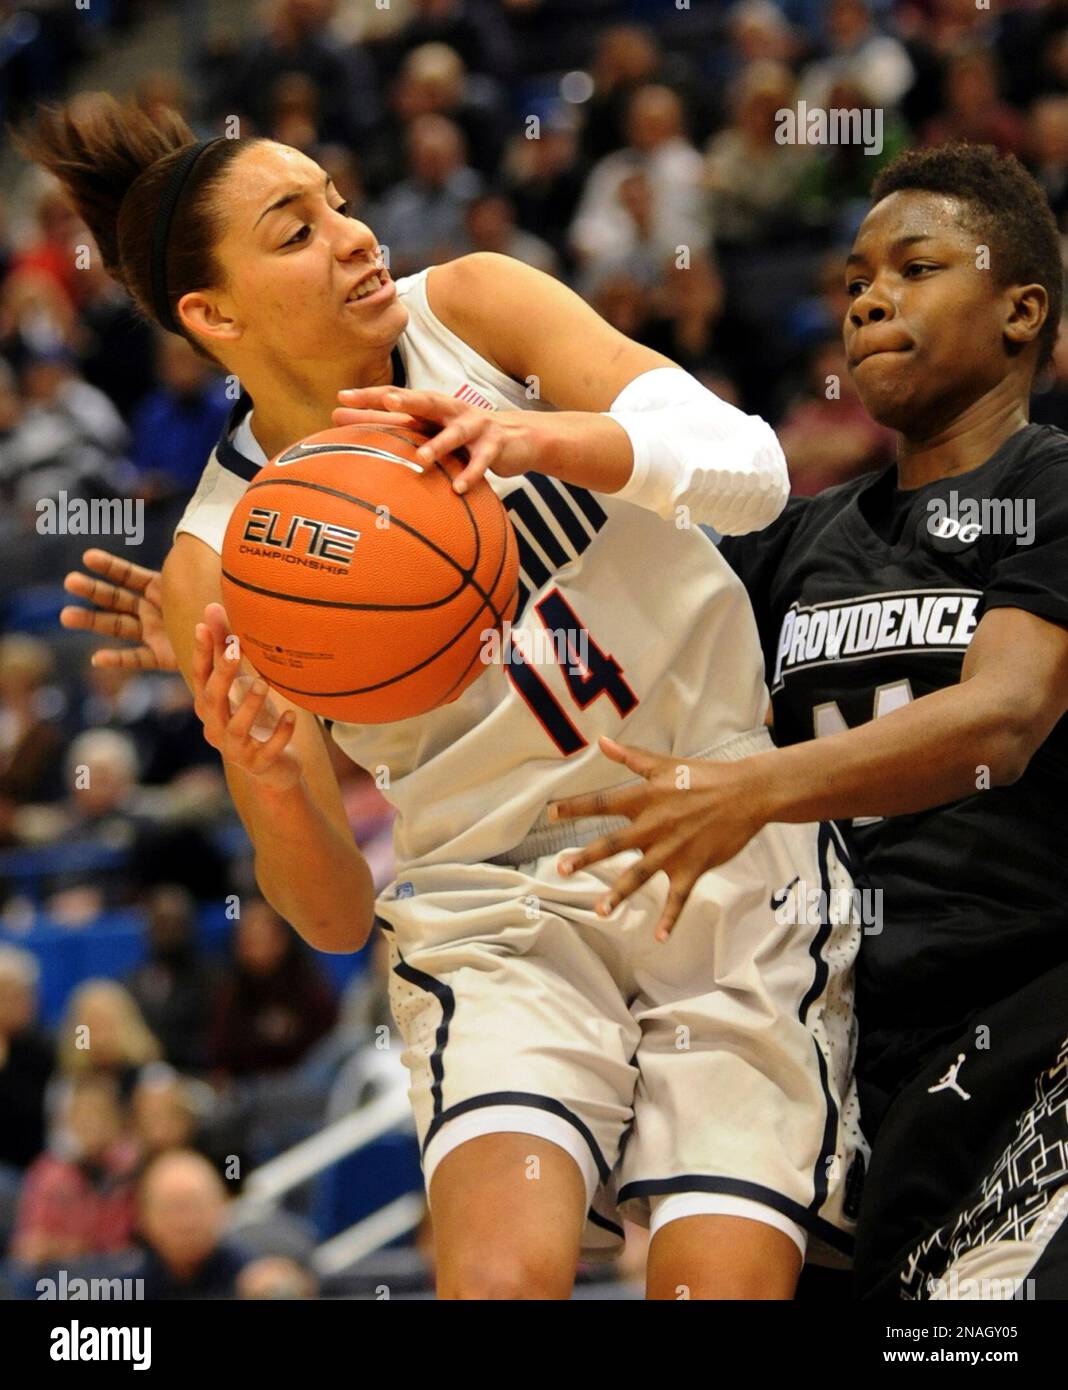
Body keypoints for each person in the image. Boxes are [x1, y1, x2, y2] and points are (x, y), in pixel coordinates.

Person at [25, 95, 863, 1300]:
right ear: (213, 314)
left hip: (724, 829)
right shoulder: (221, 559)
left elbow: (757, 473)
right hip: (500, 905)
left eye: (340, 202)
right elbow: (324, 915)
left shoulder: (473, 307)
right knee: (498, 1280)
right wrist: (261, 767)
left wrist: (543, 442)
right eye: (295, 228)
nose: (355, 234)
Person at [546, 143, 1068, 1299]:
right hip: (841, 1047)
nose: (871, 296)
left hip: (1035, 1016)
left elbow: (1005, 717)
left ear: (1022, 309)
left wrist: (755, 791)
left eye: (916, 267)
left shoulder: (1055, 488)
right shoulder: (796, 543)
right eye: (854, 281)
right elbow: (606, 670)